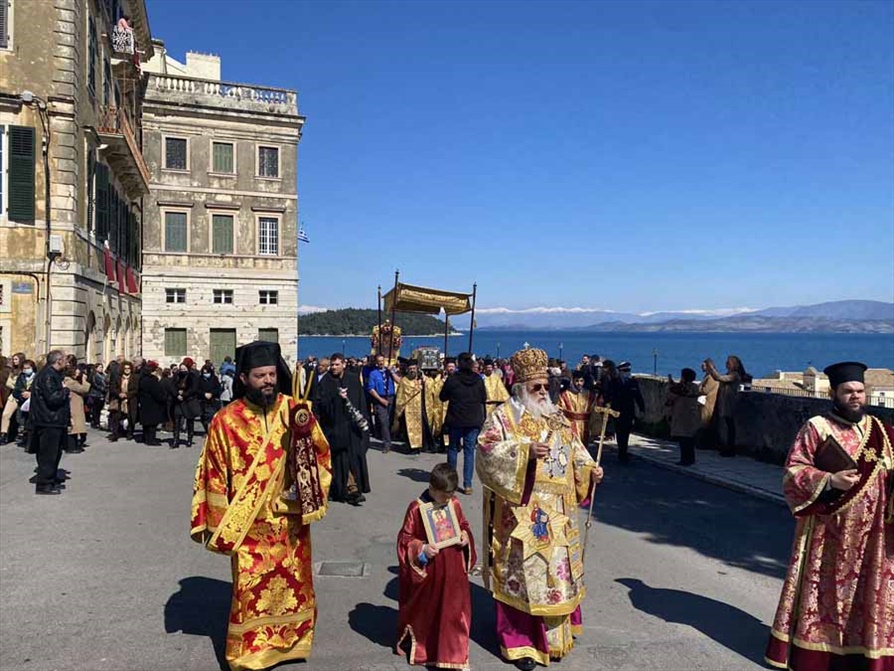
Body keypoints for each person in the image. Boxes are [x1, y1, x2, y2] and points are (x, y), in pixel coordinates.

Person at [191, 341, 332, 671]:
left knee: (295, 582)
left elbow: (321, 453)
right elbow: (213, 472)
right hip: (250, 526)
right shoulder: (226, 421)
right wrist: (219, 522)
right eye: (259, 375)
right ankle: (250, 652)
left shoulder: (294, 410)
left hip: (290, 521)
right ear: (243, 378)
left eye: (271, 374)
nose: (268, 380)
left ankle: (292, 643)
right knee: (250, 589)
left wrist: (306, 454)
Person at [477, 347, 604, 670]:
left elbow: (574, 450)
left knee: (556, 577)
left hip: (560, 514)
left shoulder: (556, 415)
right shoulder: (503, 417)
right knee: (526, 578)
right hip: (521, 513)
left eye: (546, 386)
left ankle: (556, 637)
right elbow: (486, 451)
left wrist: (590, 469)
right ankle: (524, 644)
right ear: (521, 388)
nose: (544, 392)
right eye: (537, 387)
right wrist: (524, 451)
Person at [766, 361, 893, 671]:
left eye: (860, 391)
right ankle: (821, 654)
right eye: (848, 391)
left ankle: (868, 654)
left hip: (875, 535)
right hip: (829, 532)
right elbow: (792, 472)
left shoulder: (881, 431)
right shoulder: (816, 427)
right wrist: (830, 480)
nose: (855, 397)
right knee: (827, 594)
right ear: (834, 393)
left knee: (870, 596)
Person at [396, 462, 476, 669]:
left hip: (454, 568)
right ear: (432, 489)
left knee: (455, 612)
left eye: (450, 496)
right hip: (431, 571)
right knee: (431, 612)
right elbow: (405, 539)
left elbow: (463, 524)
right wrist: (421, 549)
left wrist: (466, 537)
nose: (447, 500)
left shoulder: (454, 503)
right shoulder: (416, 508)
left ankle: (455, 656)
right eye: (443, 496)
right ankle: (430, 649)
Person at [314, 352, 370, 505]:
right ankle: (347, 489)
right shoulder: (326, 381)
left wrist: (363, 421)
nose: (334, 367)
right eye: (332, 365)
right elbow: (319, 404)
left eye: (337, 364)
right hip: (335, 429)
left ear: (344, 364)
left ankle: (355, 487)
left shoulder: (352, 380)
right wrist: (335, 400)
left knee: (354, 458)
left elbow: (360, 401)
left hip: (351, 428)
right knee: (339, 460)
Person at [439, 352, 486, 496]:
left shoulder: (453, 379)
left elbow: (442, 397)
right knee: (469, 450)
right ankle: (467, 484)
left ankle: (451, 483)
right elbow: (483, 397)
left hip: (456, 418)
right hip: (473, 419)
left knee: (453, 449)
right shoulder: (478, 379)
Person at [29, 351, 70, 495]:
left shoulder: (53, 374)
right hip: (48, 421)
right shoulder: (47, 375)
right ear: (58, 361)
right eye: (65, 359)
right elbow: (53, 398)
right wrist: (65, 391)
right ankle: (44, 484)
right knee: (48, 453)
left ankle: (51, 479)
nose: (67, 362)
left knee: (55, 452)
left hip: (54, 420)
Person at [704, 355, 747, 457]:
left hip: (730, 403)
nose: (726, 364)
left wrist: (712, 368)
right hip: (725, 403)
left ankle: (730, 449)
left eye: (728, 362)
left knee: (730, 427)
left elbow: (719, 378)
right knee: (728, 426)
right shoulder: (730, 374)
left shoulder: (734, 375)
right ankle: (727, 447)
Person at [601, 361, 644, 463]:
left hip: (629, 411)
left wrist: (642, 409)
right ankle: (622, 453)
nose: (627, 372)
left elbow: (638, 396)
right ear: (619, 371)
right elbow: (608, 395)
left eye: (628, 370)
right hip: (617, 411)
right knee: (620, 433)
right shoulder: (614, 382)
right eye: (624, 371)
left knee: (627, 432)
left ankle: (623, 451)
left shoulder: (633, 382)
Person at [666, 368, 701, 466]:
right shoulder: (694, 387)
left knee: (683, 439)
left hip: (682, 415)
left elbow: (671, 396)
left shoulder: (682, 387)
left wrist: (670, 384)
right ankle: (691, 458)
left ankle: (685, 459)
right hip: (692, 414)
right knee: (689, 439)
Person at [392, 360, 427, 452]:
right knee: (408, 429)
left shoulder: (421, 380)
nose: (412, 370)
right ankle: (410, 447)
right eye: (410, 369)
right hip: (407, 410)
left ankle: (420, 446)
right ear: (407, 369)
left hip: (420, 408)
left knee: (421, 428)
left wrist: (424, 383)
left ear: (417, 369)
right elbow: (401, 395)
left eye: (414, 369)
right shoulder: (404, 381)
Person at [366, 354, 397, 453]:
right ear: (376, 362)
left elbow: (400, 381)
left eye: (382, 360)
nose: (381, 362)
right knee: (384, 422)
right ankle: (387, 443)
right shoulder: (373, 374)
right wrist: (380, 399)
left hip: (391, 397)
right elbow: (371, 389)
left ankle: (391, 438)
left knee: (391, 421)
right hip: (380, 399)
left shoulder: (389, 371)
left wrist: (392, 372)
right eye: (379, 361)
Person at [557, 369, 597, 446]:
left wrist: (595, 428)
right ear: (573, 381)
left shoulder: (590, 395)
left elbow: (594, 412)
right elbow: (560, 409)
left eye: (581, 381)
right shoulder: (565, 394)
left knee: (584, 449)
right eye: (577, 381)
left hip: (585, 426)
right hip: (570, 425)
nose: (579, 383)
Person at [62, 355, 90, 453]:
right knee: (74, 426)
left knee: (76, 426)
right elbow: (84, 389)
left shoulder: (71, 381)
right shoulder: (69, 382)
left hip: (76, 404)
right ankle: (71, 446)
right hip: (73, 405)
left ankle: (74, 445)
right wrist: (85, 381)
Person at [172, 357, 201, 448]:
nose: (182, 370)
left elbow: (194, 388)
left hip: (188, 400)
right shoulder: (177, 375)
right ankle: (176, 440)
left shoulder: (193, 375)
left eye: (184, 368)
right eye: (181, 368)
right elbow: (172, 386)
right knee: (177, 420)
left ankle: (189, 439)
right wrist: (177, 394)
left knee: (190, 420)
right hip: (178, 401)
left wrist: (184, 395)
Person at [138, 361, 168, 446]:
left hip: (144, 403)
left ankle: (146, 437)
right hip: (153, 404)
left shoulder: (142, 379)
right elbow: (157, 393)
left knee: (146, 423)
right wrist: (163, 398)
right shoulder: (152, 380)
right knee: (152, 423)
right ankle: (151, 439)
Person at [1, 352, 26, 444]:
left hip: (24, 395)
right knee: (6, 414)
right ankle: (3, 434)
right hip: (14, 395)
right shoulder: (12, 371)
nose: (14, 361)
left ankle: (22, 434)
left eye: (16, 359)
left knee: (22, 417)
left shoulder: (24, 371)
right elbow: (8, 383)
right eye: (13, 359)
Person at [12, 360, 37, 448]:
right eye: (24, 368)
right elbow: (15, 390)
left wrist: (31, 394)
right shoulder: (21, 377)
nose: (26, 370)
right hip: (23, 404)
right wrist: (22, 395)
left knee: (32, 423)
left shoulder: (37, 377)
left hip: (34, 404)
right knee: (23, 421)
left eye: (28, 368)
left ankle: (31, 442)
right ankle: (25, 439)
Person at [697, 361, 719, 449]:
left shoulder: (711, 378)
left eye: (703, 365)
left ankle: (704, 444)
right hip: (706, 402)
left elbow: (705, 390)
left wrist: (699, 388)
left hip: (708, 402)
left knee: (705, 423)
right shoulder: (708, 376)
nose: (701, 367)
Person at [198, 363, 223, 436]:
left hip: (213, 400)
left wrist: (212, 393)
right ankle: (207, 430)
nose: (206, 374)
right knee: (203, 418)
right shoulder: (200, 379)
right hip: (202, 400)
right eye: (204, 373)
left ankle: (211, 432)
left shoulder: (214, 378)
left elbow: (218, 388)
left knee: (211, 417)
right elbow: (197, 389)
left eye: (207, 372)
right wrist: (204, 394)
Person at [87, 363, 107, 429]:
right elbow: (94, 383)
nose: (101, 368)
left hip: (102, 394)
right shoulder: (94, 375)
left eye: (102, 367)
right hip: (95, 394)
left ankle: (98, 421)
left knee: (99, 408)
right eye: (99, 367)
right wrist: (101, 388)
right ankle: (95, 422)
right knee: (95, 409)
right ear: (96, 368)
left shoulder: (104, 375)